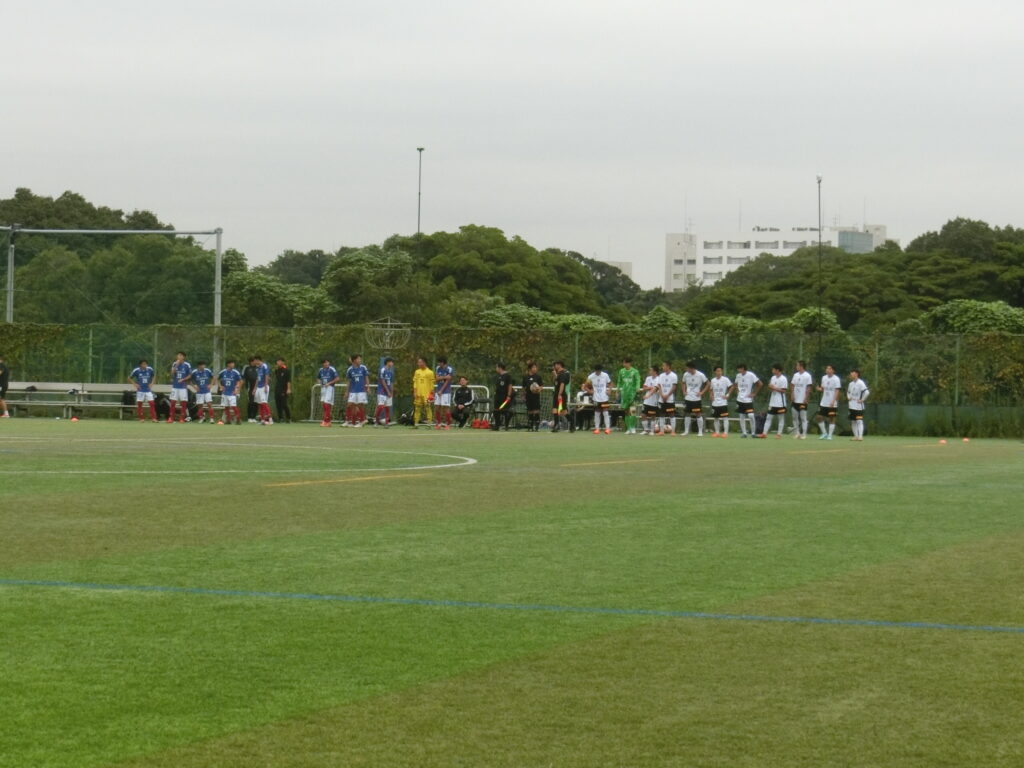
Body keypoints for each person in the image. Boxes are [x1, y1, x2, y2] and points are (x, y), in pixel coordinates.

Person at [732, 364, 762, 438]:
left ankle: (753, 433)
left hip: (748, 399)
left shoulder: (751, 375)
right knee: (741, 416)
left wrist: (754, 393)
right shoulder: (738, 375)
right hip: (740, 399)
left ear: (743, 368)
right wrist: (737, 391)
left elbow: (760, 384)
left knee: (750, 415)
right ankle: (744, 433)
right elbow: (735, 384)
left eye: (739, 369)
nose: (738, 370)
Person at [680, 361, 709, 436]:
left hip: (696, 398)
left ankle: (700, 432)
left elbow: (708, 383)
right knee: (687, 413)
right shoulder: (686, 374)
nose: (686, 369)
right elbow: (683, 383)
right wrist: (684, 391)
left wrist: (702, 392)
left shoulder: (700, 375)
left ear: (691, 368)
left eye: (687, 368)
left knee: (698, 414)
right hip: (688, 397)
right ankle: (686, 431)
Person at [759, 364, 788, 438]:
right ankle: (764, 433)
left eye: (773, 369)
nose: (772, 371)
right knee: (768, 418)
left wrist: (774, 387)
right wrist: (770, 387)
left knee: (780, 418)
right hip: (772, 402)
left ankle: (779, 434)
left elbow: (783, 391)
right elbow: (771, 388)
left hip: (780, 403)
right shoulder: (773, 378)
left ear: (777, 370)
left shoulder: (783, 379)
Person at [584, 363, 613, 435]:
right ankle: (597, 429)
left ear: (601, 370)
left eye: (599, 371)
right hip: (596, 398)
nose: (598, 372)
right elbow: (585, 386)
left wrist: (609, 391)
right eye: (597, 371)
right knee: (597, 413)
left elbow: (610, 383)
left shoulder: (605, 375)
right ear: (595, 370)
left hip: (604, 398)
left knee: (605, 413)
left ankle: (608, 429)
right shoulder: (591, 376)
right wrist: (590, 391)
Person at [815, 364, 842, 440]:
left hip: (832, 402)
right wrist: (819, 389)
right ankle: (824, 433)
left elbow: (837, 390)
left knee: (831, 418)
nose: (827, 370)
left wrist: (833, 401)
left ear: (833, 370)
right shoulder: (824, 378)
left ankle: (830, 435)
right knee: (819, 417)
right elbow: (823, 389)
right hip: (824, 402)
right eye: (827, 368)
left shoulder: (836, 379)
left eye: (829, 368)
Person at [616, 357, 642, 435]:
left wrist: (637, 388)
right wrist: (617, 390)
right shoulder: (621, 371)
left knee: (632, 411)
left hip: (632, 394)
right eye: (623, 363)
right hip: (624, 394)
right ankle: (628, 428)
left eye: (625, 363)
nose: (623, 364)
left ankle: (633, 427)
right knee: (626, 411)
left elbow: (638, 380)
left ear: (629, 363)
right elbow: (619, 381)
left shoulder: (635, 371)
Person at [344, 354, 370, 427]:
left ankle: (361, 421)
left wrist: (368, 387)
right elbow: (349, 381)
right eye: (358, 359)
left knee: (360, 405)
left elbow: (366, 378)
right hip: (353, 390)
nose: (360, 360)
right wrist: (347, 391)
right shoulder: (350, 369)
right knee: (350, 405)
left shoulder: (363, 367)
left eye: (360, 359)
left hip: (361, 390)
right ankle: (352, 422)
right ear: (354, 360)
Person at [790, 360, 813, 440]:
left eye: (797, 365)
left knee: (803, 418)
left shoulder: (807, 376)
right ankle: (797, 433)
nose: (796, 367)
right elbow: (792, 385)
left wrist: (806, 398)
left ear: (801, 366)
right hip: (795, 400)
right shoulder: (795, 375)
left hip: (802, 400)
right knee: (794, 417)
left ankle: (804, 434)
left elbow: (809, 387)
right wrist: (792, 394)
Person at [168, 351, 192, 424]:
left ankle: (182, 418)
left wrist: (183, 379)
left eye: (181, 356)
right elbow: (172, 373)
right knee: (173, 402)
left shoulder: (187, 365)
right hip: (175, 387)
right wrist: (176, 365)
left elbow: (190, 375)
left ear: (184, 357)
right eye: (178, 355)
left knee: (183, 403)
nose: (179, 357)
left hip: (183, 387)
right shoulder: (175, 363)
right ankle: (171, 418)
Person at [708, 366, 733, 437]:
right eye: (717, 371)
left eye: (720, 371)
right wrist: (711, 395)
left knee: (725, 417)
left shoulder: (725, 379)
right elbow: (711, 389)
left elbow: (731, 387)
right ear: (715, 372)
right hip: (715, 402)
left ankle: (725, 433)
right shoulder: (713, 380)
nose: (719, 372)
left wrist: (727, 394)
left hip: (723, 402)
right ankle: (717, 432)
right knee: (716, 418)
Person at [847, 369, 870, 441]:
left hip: (858, 406)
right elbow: (848, 392)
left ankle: (860, 436)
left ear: (856, 374)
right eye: (851, 373)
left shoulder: (860, 383)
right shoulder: (850, 384)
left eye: (852, 373)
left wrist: (862, 400)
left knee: (859, 421)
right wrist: (848, 397)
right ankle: (855, 436)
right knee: (853, 421)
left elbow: (867, 392)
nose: (851, 374)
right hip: (851, 405)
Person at [218, 359, 243, 425]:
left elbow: (241, 381)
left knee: (234, 406)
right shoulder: (223, 372)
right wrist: (220, 386)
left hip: (232, 393)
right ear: (228, 364)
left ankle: (238, 420)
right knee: (226, 407)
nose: (233, 365)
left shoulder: (236, 372)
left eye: (233, 363)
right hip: (225, 393)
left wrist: (237, 390)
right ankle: (228, 420)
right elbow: (217, 379)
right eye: (232, 363)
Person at [412, 357, 435, 428]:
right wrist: (415, 392)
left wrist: (431, 393)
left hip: (427, 394)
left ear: (424, 363)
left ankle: (429, 423)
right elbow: (415, 382)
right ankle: (416, 423)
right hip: (418, 393)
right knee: (417, 408)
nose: (418, 364)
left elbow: (432, 384)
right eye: (418, 362)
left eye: (420, 362)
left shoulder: (430, 372)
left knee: (428, 408)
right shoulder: (417, 372)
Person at [657, 361, 678, 435]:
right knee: (661, 414)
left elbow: (674, 387)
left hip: (669, 399)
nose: (662, 367)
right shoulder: (661, 375)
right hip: (661, 399)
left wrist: (667, 395)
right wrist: (662, 395)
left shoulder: (674, 375)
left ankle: (673, 431)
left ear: (668, 366)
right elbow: (659, 386)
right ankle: (661, 431)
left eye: (664, 366)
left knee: (671, 414)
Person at [317, 358, 340, 427]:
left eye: (328, 362)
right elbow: (318, 378)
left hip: (330, 388)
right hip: (323, 388)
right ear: (323, 364)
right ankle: (328, 421)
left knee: (327, 403)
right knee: (324, 404)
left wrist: (329, 383)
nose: (327, 364)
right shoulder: (321, 370)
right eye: (325, 362)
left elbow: (337, 378)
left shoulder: (332, 369)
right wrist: (320, 383)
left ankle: (325, 421)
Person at [521, 361, 544, 432]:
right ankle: (530, 426)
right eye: (533, 367)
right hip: (528, 396)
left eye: (536, 367)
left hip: (536, 396)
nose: (535, 369)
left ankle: (536, 426)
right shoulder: (525, 377)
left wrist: (538, 389)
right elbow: (523, 387)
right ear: (530, 368)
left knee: (536, 411)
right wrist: (523, 395)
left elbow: (541, 386)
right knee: (530, 411)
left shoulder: (538, 377)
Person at [433, 356, 454, 430]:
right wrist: (444, 377)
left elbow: (448, 381)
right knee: (437, 407)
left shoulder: (449, 369)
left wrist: (441, 390)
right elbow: (436, 378)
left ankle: (448, 424)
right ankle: (438, 424)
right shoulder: (438, 368)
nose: (438, 364)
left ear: (443, 363)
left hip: (446, 392)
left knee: (446, 408)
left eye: (439, 362)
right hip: (438, 390)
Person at [492, 362, 514, 431]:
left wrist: (509, 395)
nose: (496, 369)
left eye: (496, 367)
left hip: (504, 396)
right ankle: (497, 426)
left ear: (500, 368)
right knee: (496, 411)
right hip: (497, 396)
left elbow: (510, 386)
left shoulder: (507, 376)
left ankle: (506, 426)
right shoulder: (498, 376)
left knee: (506, 411)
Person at [550, 360, 571, 432]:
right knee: (554, 409)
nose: (554, 366)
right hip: (556, 393)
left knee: (563, 412)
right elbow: (556, 382)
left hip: (561, 394)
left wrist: (560, 394)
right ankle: (556, 426)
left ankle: (572, 423)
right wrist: (554, 375)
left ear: (559, 365)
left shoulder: (565, 373)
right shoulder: (558, 373)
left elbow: (562, 384)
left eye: (555, 365)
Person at [252, 354, 273, 425]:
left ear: (257, 360)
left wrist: (266, 385)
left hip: (263, 387)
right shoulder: (257, 368)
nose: (254, 362)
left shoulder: (264, 366)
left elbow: (267, 376)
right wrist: (254, 388)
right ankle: (263, 420)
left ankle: (270, 419)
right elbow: (257, 379)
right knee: (260, 404)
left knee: (264, 403)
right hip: (258, 387)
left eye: (254, 360)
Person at [640, 365, 661, 435]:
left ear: (655, 371)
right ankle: (646, 430)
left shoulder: (659, 379)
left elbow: (656, 389)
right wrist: (651, 387)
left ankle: (652, 431)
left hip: (654, 400)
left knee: (653, 416)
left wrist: (651, 389)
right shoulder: (648, 378)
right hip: (646, 400)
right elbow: (644, 388)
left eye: (651, 370)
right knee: (643, 414)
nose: (649, 371)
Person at [375, 357, 395, 426]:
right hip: (382, 392)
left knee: (387, 407)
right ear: (388, 362)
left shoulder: (391, 372)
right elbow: (382, 381)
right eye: (392, 362)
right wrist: (388, 391)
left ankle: (386, 422)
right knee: (381, 406)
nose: (392, 364)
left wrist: (391, 392)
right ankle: (376, 421)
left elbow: (391, 383)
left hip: (388, 393)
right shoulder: (382, 370)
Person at [273, 358, 292, 423]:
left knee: (284, 404)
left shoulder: (287, 370)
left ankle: (288, 418)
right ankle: (280, 418)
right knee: (278, 404)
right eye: (277, 361)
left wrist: (288, 389)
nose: (278, 363)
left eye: (279, 361)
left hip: (284, 389)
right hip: (277, 389)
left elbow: (288, 381)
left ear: (283, 362)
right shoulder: (277, 370)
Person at [242, 357, 259, 423]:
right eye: (255, 360)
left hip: (258, 388)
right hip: (250, 387)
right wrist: (243, 386)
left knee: (256, 402)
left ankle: (254, 417)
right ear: (251, 362)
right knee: (250, 402)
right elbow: (244, 378)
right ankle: (249, 417)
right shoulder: (247, 368)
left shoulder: (258, 368)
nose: (256, 361)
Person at [0, 353, 9, 418]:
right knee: (1, 399)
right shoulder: (3, 365)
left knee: (1, 399)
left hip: (1, 385)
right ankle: (6, 413)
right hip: (3, 385)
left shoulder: (1, 365)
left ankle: (6, 414)